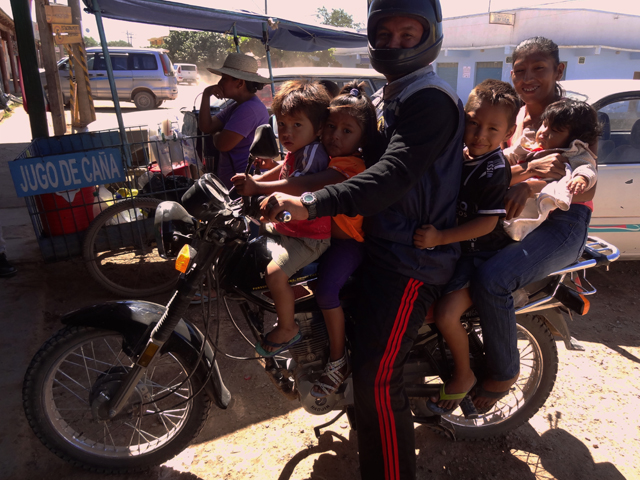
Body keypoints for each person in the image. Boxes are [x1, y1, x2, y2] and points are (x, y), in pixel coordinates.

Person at [260, 1, 465, 478]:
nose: (395, 43)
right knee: (349, 343)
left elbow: (391, 176)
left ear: (430, 35)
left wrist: (311, 202)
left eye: (408, 34)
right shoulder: (388, 96)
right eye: (384, 33)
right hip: (376, 245)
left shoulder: (430, 101)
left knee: (376, 380)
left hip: (409, 260)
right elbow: (336, 148)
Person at [469, 37, 596, 412]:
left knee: (493, 280)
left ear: (559, 70)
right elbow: (497, 168)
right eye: (521, 71)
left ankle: (505, 372)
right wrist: (525, 173)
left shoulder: (573, 116)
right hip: (517, 216)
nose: (528, 78)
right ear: (511, 74)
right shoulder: (515, 114)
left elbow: (585, 179)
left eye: (539, 69)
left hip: (561, 222)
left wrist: (531, 183)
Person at [233, 81, 380, 397]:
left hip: (346, 244)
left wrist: (259, 186)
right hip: (316, 235)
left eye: (346, 131)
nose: (335, 136)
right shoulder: (319, 154)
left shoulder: (348, 166)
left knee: (326, 291)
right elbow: (292, 171)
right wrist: (261, 178)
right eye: (332, 127)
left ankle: (338, 361)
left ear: (363, 138)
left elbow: (307, 183)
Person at [411, 79, 519, 414]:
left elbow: (487, 223)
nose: (479, 135)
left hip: (479, 256)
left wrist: (439, 238)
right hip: (458, 251)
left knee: (446, 314)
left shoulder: (494, 168)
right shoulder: (460, 155)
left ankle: (463, 374)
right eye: (473, 123)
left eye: (492, 129)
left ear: (509, 133)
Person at [248, 80, 333, 357]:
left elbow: (296, 185)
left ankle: (287, 327)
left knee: (274, 276)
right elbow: (283, 169)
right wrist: (256, 180)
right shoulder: (298, 150)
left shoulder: (314, 152)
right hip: (289, 228)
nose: (287, 131)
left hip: (308, 237)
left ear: (318, 128)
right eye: (282, 124)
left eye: (297, 125)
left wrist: (258, 187)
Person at [503, 98, 600, 240]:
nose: (543, 132)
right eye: (544, 125)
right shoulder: (528, 143)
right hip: (515, 202)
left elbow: (587, 167)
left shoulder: (573, 152)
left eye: (555, 130)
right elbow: (509, 155)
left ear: (573, 139)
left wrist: (581, 178)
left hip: (544, 209)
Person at [198, 53, 271, 190]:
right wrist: (206, 94)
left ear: (240, 83)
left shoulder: (249, 109)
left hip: (242, 185)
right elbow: (206, 127)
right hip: (235, 183)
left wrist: (216, 133)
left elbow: (222, 144)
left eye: (224, 78)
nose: (219, 83)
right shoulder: (238, 106)